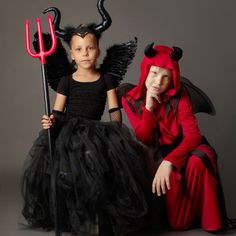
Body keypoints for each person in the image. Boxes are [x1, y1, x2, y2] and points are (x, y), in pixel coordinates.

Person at [21, 2, 150, 235]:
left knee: (97, 163)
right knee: (70, 166)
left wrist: (116, 131)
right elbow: (58, 112)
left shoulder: (106, 79)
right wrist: (51, 121)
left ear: (98, 50)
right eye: (79, 49)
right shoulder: (66, 81)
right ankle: (72, 214)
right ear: (71, 54)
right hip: (68, 130)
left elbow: (113, 109)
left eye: (90, 48)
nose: (85, 54)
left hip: (98, 131)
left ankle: (96, 216)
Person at [121, 43, 229, 232]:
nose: (158, 82)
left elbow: (193, 136)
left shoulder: (181, 96)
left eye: (165, 77)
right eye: (154, 73)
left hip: (188, 148)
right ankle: (191, 215)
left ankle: (209, 221)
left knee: (200, 158)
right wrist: (148, 108)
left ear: (172, 79)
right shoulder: (130, 99)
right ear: (145, 70)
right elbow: (145, 138)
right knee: (178, 224)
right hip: (159, 155)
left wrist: (169, 161)